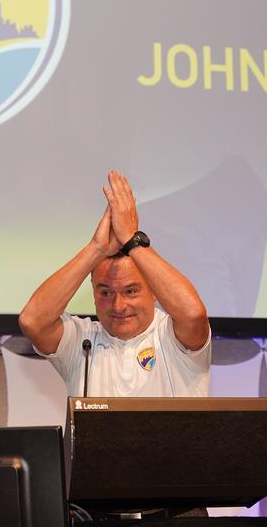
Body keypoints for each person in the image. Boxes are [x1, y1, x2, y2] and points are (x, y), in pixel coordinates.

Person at [19, 170, 211, 398]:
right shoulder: (83, 342)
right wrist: (96, 249)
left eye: (131, 291)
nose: (118, 306)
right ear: (93, 292)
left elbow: (193, 315)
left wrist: (133, 240)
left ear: (155, 291)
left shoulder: (171, 335)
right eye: (106, 292)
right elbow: (32, 321)